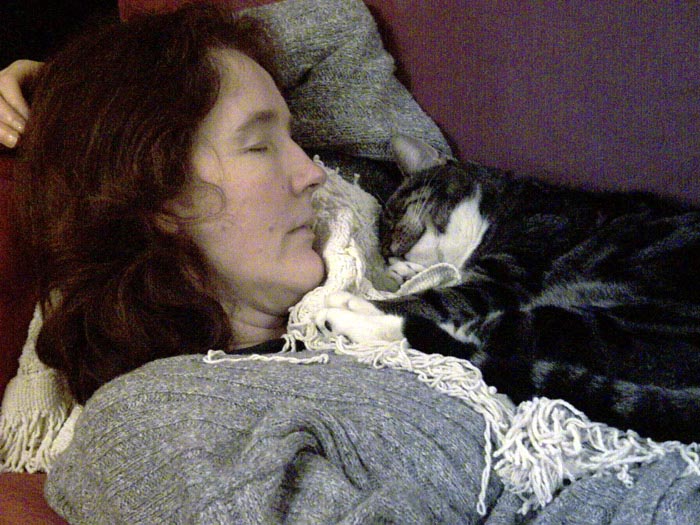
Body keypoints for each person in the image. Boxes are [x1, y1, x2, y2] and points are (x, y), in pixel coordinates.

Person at [2, 2, 699, 523]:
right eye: (259, 144)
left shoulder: (368, 319)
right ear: (156, 194)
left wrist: (75, 86)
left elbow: (337, 25)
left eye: (297, 137)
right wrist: (86, 107)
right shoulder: (145, 420)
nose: (313, 172)